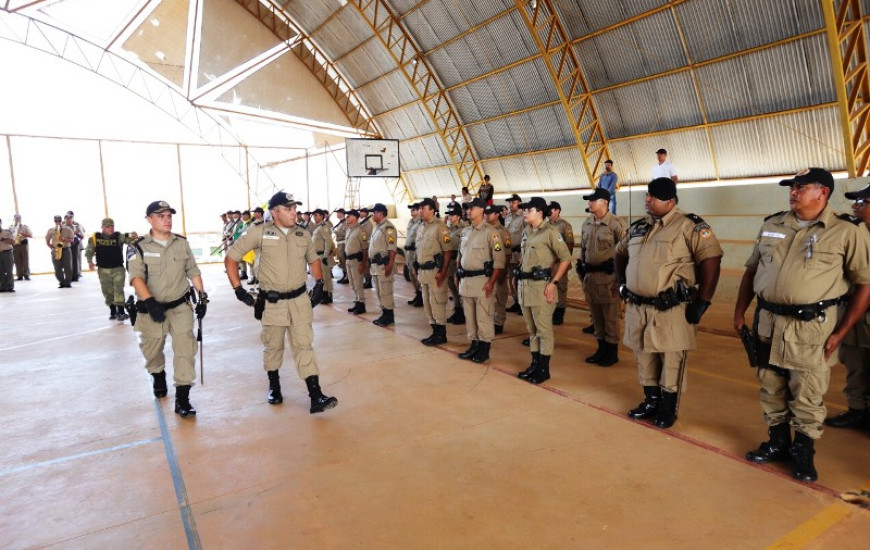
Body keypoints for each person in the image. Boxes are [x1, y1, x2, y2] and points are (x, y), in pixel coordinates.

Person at [734, 169, 870, 482]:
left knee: (807, 392)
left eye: (800, 187)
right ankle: (778, 443)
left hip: (812, 328)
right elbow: (751, 271)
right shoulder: (773, 224)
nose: (793, 192)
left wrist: (842, 330)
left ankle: (803, 453)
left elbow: (865, 283)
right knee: (771, 385)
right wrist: (740, 312)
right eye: (791, 187)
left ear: (822, 193)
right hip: (767, 322)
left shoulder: (847, 230)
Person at [615, 177, 722, 429]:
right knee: (644, 354)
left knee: (671, 358)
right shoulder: (639, 227)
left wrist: (703, 301)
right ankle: (651, 400)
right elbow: (620, 252)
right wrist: (621, 282)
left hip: (671, 308)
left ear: (670, 201)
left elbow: (711, 259)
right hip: (638, 306)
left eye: (653, 196)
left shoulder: (689, 226)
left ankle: (667, 406)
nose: (647, 200)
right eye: (647, 195)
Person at [225, 191, 337, 414]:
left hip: (298, 300)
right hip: (272, 302)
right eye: (289, 209)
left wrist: (318, 282)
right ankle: (274, 386)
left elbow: (313, 259)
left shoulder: (303, 234)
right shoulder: (259, 232)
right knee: (273, 346)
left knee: (304, 346)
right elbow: (231, 257)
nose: (294, 212)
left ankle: (316, 395)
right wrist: (238, 289)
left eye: (295, 208)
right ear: (275, 212)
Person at [127, 201, 206, 418]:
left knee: (185, 350)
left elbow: (193, 270)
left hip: (180, 306)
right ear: (149, 219)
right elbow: (135, 277)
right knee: (152, 351)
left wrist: (202, 297)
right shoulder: (138, 246)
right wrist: (150, 302)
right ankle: (157, 374)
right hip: (151, 308)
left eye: (169, 215)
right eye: (161, 216)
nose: (167, 219)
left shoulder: (181, 243)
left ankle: (182, 398)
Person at [825, 183, 870, 430]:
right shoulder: (851, 234)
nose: (855, 206)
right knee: (855, 365)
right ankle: (857, 410)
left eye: (863, 202)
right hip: (853, 314)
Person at [514, 197, 572, 384]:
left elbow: (565, 258)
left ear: (539, 212)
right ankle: (535, 363)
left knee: (543, 330)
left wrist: (554, 282)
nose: (524, 213)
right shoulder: (526, 231)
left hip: (541, 288)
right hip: (525, 288)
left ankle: (544, 369)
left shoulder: (551, 232)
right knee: (532, 330)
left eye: (528, 210)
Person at [578, 188, 627, 366]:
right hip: (591, 277)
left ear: (605, 202)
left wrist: (620, 280)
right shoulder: (586, 224)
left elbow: (626, 253)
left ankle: (611, 352)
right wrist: (582, 273)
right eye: (589, 200)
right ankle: (601, 349)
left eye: (593, 200)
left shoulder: (616, 224)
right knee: (596, 317)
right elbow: (583, 251)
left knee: (610, 318)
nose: (589, 203)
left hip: (609, 278)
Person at [456, 198, 504, 363]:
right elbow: (460, 256)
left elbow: (499, 261)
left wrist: (491, 282)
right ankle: (474, 345)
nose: (469, 211)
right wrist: (458, 275)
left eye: (472, 208)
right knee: (470, 317)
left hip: (482, 281)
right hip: (466, 281)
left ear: (482, 210)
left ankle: (484, 349)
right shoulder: (465, 232)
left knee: (483, 317)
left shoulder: (491, 233)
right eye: (468, 208)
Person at [416, 197, 453, 346]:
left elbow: (448, 251)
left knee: (437, 302)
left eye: (423, 209)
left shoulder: (440, 227)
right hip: (423, 271)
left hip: (435, 272)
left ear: (432, 210)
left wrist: (443, 272)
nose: (420, 211)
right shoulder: (421, 227)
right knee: (427, 304)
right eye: (420, 209)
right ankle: (434, 331)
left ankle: (441, 334)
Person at [86, 218, 138, 320]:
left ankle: (121, 311)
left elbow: (130, 238)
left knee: (118, 289)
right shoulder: (95, 238)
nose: (110, 229)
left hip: (118, 268)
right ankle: (113, 310)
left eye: (112, 226)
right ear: (102, 227)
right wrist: (89, 261)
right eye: (108, 227)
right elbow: (89, 250)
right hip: (103, 270)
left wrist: (133, 236)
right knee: (107, 291)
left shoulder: (118, 236)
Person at [368, 203, 398, 326]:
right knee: (380, 292)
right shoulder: (377, 227)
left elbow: (392, 248)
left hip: (384, 266)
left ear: (380, 213)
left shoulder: (388, 228)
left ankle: (389, 316)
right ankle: (384, 313)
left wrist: (390, 265)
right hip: (376, 266)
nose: (373, 215)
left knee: (386, 292)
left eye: (374, 213)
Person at [485, 204, 512, 334]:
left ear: (497, 215)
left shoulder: (503, 232)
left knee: (500, 296)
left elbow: (506, 254)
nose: (486, 216)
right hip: (487, 270)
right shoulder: (483, 230)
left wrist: (503, 272)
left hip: (498, 269)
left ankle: (499, 322)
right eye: (486, 213)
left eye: (489, 213)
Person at [547, 201, 575, 325]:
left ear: (558, 210)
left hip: (559, 262)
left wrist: (563, 258)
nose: (548, 212)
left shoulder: (565, 225)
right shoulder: (545, 225)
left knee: (561, 287)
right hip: (548, 262)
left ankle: (559, 313)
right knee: (549, 286)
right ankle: (551, 310)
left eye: (551, 210)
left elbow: (570, 243)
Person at [344, 209, 368, 314]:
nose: (346, 218)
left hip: (356, 261)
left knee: (358, 283)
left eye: (348, 216)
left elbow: (364, 249)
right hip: (348, 260)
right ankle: (357, 302)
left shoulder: (360, 230)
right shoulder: (349, 229)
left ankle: (361, 305)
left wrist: (363, 264)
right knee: (352, 284)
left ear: (354, 217)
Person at [445, 203, 465, 324]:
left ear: (458, 216)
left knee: (459, 289)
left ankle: (462, 313)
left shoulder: (463, 229)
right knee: (452, 288)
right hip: (449, 263)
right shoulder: (448, 229)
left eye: (452, 215)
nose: (450, 218)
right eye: (449, 215)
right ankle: (457, 310)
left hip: (458, 262)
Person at [504, 194, 524, 314]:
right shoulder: (508, 217)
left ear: (519, 203)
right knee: (512, 279)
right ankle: (516, 301)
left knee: (520, 279)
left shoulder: (524, 217)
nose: (511, 204)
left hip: (519, 253)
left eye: (513, 202)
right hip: (510, 253)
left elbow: (528, 235)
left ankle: (522, 303)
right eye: (509, 202)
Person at [311, 209, 336, 305]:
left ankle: (327, 296)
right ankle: (324, 294)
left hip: (322, 255)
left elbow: (328, 241)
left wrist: (325, 256)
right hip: (318, 255)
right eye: (314, 216)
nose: (314, 217)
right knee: (322, 276)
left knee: (325, 276)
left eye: (316, 215)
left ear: (321, 216)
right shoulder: (317, 227)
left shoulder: (323, 227)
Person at [45, 215, 74, 288]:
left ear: (61, 221)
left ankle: (68, 282)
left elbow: (72, 240)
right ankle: (61, 282)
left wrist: (64, 239)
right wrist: (51, 247)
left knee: (68, 267)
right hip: (56, 250)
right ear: (54, 221)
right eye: (56, 221)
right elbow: (47, 240)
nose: (57, 222)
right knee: (57, 267)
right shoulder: (51, 230)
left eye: (59, 220)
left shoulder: (68, 229)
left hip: (65, 249)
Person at [404, 203, 424, 307]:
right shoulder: (411, 222)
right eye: (411, 209)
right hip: (409, 252)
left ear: (418, 211)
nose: (411, 211)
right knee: (411, 275)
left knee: (416, 273)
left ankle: (422, 296)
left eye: (413, 209)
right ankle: (418, 293)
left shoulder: (421, 223)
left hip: (415, 252)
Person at [9, 214, 32, 281]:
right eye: (16, 218)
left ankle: (26, 275)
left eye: (19, 218)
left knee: (25, 260)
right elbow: (9, 235)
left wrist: (23, 234)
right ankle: (19, 275)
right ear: (14, 219)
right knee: (17, 261)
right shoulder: (11, 227)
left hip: (23, 244)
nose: (18, 219)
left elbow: (31, 235)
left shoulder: (25, 227)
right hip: (15, 245)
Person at [66, 211, 85, 281]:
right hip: (67, 244)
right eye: (67, 217)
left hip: (77, 244)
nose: (69, 218)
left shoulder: (77, 224)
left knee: (77, 259)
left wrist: (77, 233)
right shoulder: (63, 224)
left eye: (71, 216)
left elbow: (83, 233)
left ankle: (77, 273)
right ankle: (70, 274)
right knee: (68, 260)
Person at [359, 207, 374, 289]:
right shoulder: (362, 222)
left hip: (366, 245)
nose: (360, 213)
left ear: (366, 213)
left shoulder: (368, 223)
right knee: (363, 263)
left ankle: (368, 281)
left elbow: (366, 235)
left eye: (362, 212)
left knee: (366, 263)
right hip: (362, 245)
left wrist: (360, 232)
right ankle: (366, 279)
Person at [333, 208, 349, 284]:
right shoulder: (341, 222)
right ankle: (344, 275)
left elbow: (344, 233)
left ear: (342, 214)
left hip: (343, 243)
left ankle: (347, 276)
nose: (337, 214)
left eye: (338, 213)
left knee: (343, 260)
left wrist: (334, 231)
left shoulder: (345, 222)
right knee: (341, 260)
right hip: (339, 243)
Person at [0, 219, 14, 292]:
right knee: (1, 271)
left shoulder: (7, 232)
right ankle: (3, 287)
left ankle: (10, 286)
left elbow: (12, 242)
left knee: (9, 270)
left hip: (7, 252)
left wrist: (3, 239)